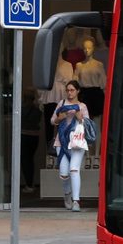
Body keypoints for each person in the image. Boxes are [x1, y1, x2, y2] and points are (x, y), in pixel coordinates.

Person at [51, 80, 90, 212]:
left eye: (72, 90)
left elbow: (88, 124)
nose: (69, 92)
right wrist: (59, 118)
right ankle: (67, 194)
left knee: (74, 170)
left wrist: (80, 118)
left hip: (77, 142)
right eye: (67, 90)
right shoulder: (61, 104)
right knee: (64, 174)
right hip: (61, 142)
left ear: (78, 91)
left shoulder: (82, 106)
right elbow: (52, 120)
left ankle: (76, 201)